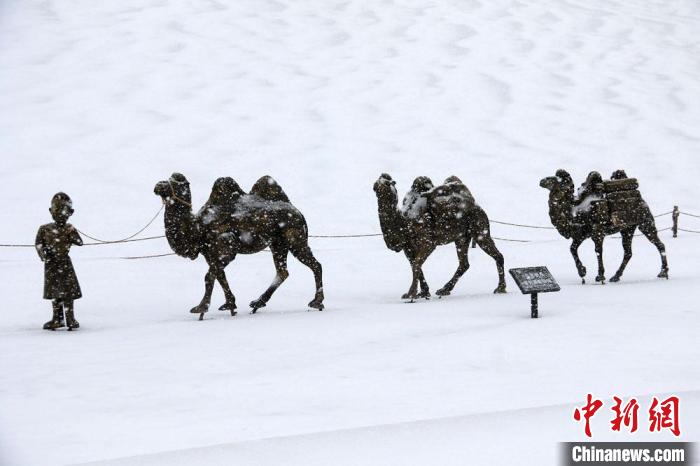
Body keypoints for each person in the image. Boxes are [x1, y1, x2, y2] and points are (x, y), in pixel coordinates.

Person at [35, 193, 83, 330]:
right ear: (51, 211)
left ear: (70, 213)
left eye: (64, 211)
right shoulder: (44, 229)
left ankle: (70, 318)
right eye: (57, 210)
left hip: (64, 263)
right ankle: (58, 318)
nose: (60, 214)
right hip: (51, 263)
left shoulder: (68, 229)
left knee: (68, 293)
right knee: (55, 293)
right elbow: (38, 243)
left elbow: (80, 242)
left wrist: (72, 231)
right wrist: (42, 254)